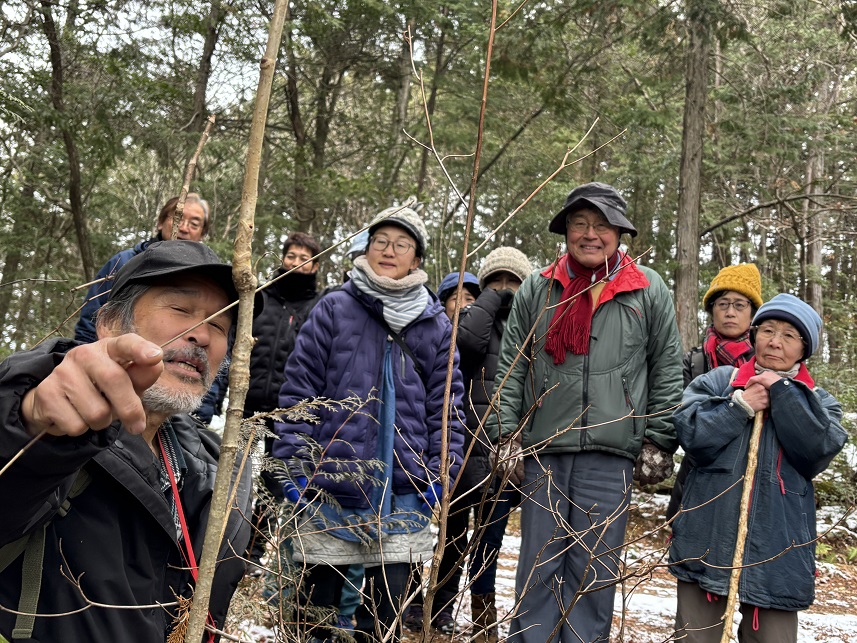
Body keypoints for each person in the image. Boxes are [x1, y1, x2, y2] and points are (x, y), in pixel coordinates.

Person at [0, 240, 256, 642]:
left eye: (221, 325)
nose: (203, 336)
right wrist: (30, 422)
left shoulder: (215, 467)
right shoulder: (44, 418)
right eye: (180, 310)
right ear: (110, 324)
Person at [486, 182, 683, 643]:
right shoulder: (539, 286)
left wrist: (658, 438)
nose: (590, 234)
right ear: (567, 231)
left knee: (593, 575)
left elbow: (667, 366)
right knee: (538, 568)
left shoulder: (647, 288)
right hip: (545, 452)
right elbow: (513, 365)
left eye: (601, 225)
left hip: (611, 455)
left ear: (619, 233)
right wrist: (505, 435)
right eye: (580, 224)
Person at [272, 201, 466, 643]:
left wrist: (442, 471)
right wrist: (294, 467)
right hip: (330, 485)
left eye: (401, 244)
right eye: (380, 241)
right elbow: (299, 392)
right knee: (316, 615)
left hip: (404, 490)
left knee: (385, 618)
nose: (389, 251)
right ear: (366, 248)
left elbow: (447, 409)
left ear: (417, 259)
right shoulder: (334, 308)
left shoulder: (437, 325)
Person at [669, 293, 846, 643]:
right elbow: (692, 435)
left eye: (789, 336)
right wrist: (740, 405)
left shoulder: (820, 402)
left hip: (779, 551)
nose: (775, 342)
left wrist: (782, 392)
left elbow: (816, 449)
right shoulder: (719, 382)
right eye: (767, 330)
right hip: (707, 542)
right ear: (754, 336)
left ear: (804, 348)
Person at [437, 247, 532, 642]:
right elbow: (465, 343)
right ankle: (438, 609)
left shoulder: (530, 329)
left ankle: (483, 619)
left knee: (490, 543)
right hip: (464, 449)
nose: (506, 290)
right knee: (453, 537)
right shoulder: (474, 322)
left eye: (514, 283)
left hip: (503, 454)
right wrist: (491, 299)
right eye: (497, 282)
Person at [404, 269, 481, 634]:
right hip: (423, 446)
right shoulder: (428, 337)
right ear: (442, 302)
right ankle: (409, 600)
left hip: (466, 452)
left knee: (455, 533)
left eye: (471, 300)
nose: (464, 306)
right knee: (413, 528)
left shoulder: (483, 341)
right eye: (456, 299)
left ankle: (444, 605)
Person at [245, 231, 323, 568]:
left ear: (316, 265)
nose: (296, 262)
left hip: (291, 411)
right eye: (291, 256)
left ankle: (251, 551)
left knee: (273, 480)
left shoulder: (319, 307)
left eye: (304, 258)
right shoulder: (261, 298)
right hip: (248, 404)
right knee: (235, 474)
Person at [666, 263, 763, 523]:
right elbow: (681, 420)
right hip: (698, 474)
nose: (730, 312)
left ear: (753, 313)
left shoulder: (769, 361)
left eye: (740, 305)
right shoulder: (694, 361)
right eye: (722, 304)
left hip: (755, 476)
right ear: (712, 310)